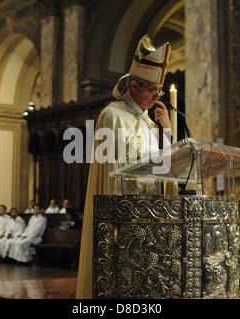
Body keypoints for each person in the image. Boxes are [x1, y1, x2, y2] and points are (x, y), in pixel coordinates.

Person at [76, 35, 172, 298]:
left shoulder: (152, 124)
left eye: (160, 91)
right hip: (123, 211)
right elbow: (112, 171)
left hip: (150, 211)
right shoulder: (112, 115)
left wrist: (167, 131)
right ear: (133, 85)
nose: (157, 96)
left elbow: (164, 166)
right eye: (152, 89)